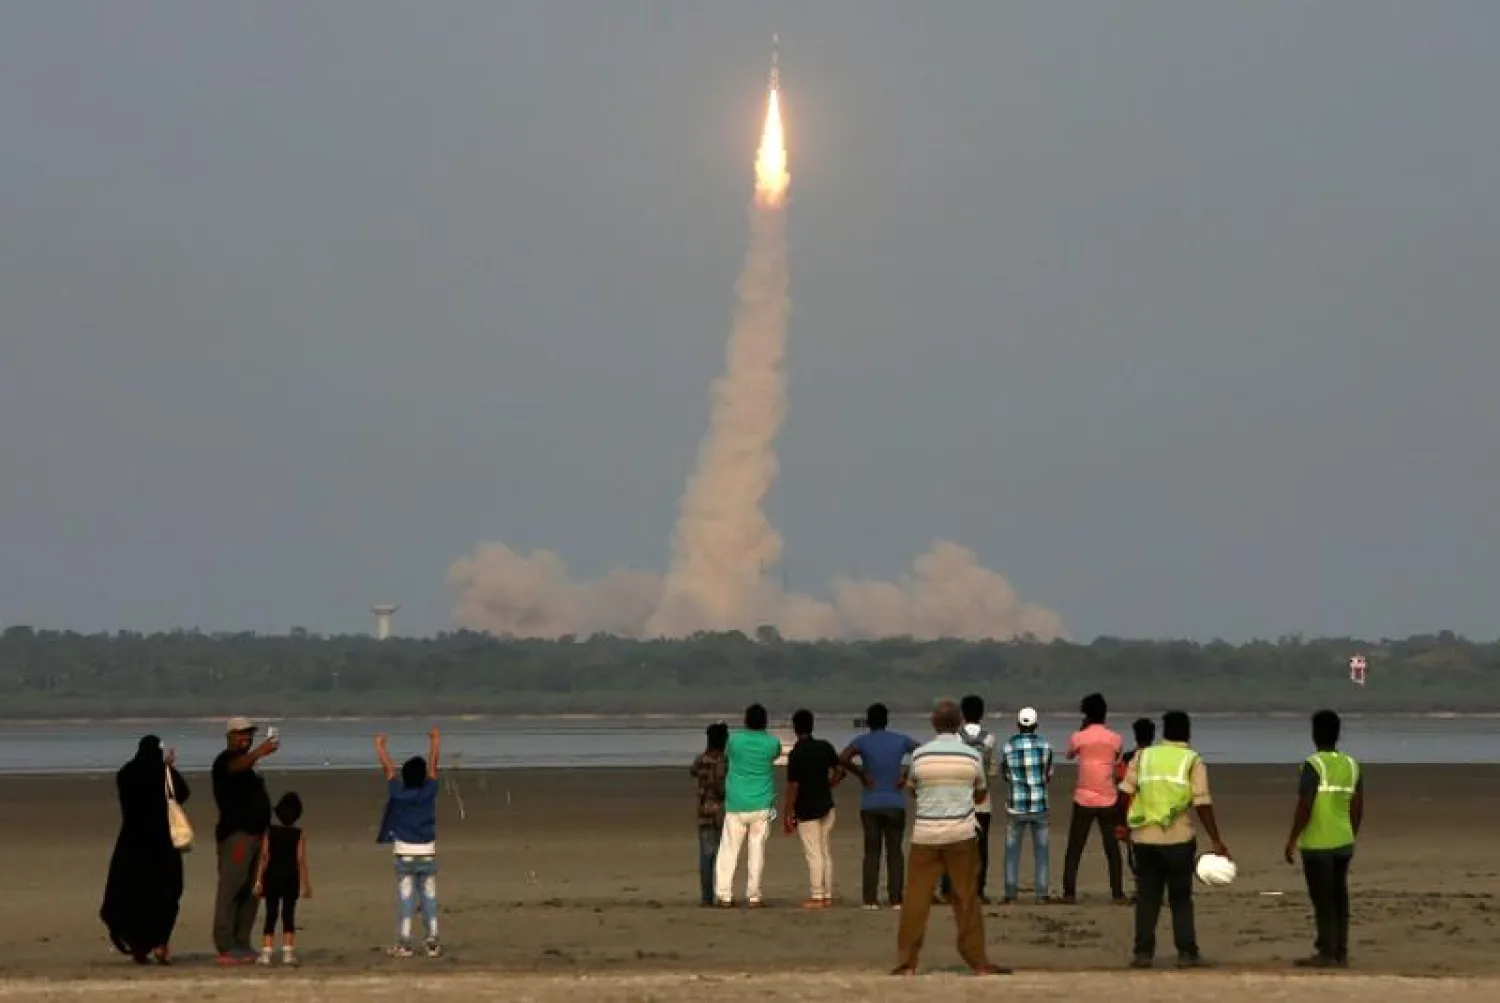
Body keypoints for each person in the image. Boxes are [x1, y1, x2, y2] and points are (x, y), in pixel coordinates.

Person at [892, 699, 1008, 976]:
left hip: (926, 835)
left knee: (916, 900)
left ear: (933, 723)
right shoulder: (971, 756)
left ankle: (907, 961)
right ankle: (978, 960)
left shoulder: (920, 755)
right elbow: (980, 791)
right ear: (958, 723)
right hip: (961, 833)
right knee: (966, 897)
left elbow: (912, 789)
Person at [1117, 710, 1230, 969]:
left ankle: (1143, 953)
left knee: (1147, 897)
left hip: (1144, 838)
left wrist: (1122, 825)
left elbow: (1124, 794)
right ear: (1187, 732)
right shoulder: (1192, 760)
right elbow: (1202, 803)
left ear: (1163, 732)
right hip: (1178, 839)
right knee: (1180, 897)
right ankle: (1187, 952)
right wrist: (1216, 839)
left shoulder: (1143, 757)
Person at [100, 735, 190, 965]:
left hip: (132, 843)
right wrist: (168, 769)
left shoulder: (125, 774)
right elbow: (182, 794)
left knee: (134, 895)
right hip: (162, 844)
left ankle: (139, 947)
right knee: (166, 893)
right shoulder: (163, 773)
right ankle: (161, 943)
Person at [1283, 709, 1363, 968]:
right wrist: (1352, 832)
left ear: (1314, 734)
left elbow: (1305, 804)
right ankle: (1340, 949)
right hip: (1343, 841)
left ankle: (1327, 951)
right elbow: (1357, 805)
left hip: (1318, 843)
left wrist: (1292, 837)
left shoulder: (1313, 765)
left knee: (1323, 898)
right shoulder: (1351, 765)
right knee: (1339, 896)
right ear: (1338, 734)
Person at [211, 717, 278, 965]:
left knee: (252, 891)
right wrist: (261, 752)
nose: (246, 739)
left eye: (249, 735)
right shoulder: (224, 761)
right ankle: (225, 945)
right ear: (230, 736)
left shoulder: (249, 767)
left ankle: (242, 941)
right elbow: (235, 767)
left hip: (258, 835)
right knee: (231, 888)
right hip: (237, 836)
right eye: (242, 734)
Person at [841, 703, 918, 910]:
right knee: (895, 852)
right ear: (886, 720)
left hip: (871, 802)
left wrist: (861, 774)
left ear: (868, 721)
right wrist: (906, 775)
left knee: (872, 852)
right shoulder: (900, 740)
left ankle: (870, 900)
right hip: (894, 801)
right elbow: (922, 752)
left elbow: (843, 758)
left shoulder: (863, 741)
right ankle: (896, 899)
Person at [375, 728, 443, 958]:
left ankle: (404, 943)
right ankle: (432, 940)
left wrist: (381, 748)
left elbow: (388, 770)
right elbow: (434, 766)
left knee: (406, 898)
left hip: (404, 851)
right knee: (429, 897)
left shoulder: (398, 793)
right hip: (427, 850)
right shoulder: (429, 791)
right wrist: (435, 743)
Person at [714, 704, 782, 907]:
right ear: (765, 722)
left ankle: (724, 895)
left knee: (728, 850)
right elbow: (775, 755)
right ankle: (753, 895)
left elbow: (726, 755)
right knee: (756, 851)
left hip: (736, 802)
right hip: (761, 802)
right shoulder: (772, 743)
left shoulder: (734, 740)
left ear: (745, 720)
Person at [1062, 693, 1125, 903]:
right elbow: (1117, 758)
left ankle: (1069, 892)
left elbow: (1069, 754)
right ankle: (1117, 891)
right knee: (1112, 848)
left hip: (1084, 797)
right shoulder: (1115, 738)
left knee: (1075, 847)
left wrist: (1082, 730)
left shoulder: (1079, 737)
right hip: (1108, 796)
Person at [938, 695, 998, 903]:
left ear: (962, 714)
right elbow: (992, 771)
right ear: (981, 714)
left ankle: (948, 889)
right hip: (982, 801)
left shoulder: (955, 738)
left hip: (957, 800)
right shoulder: (990, 738)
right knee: (982, 848)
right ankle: (978, 890)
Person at [782, 709, 843, 908]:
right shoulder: (824, 746)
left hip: (807, 808)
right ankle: (827, 894)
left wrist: (788, 812)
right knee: (824, 850)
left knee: (813, 852)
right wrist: (830, 784)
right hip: (826, 804)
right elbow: (840, 771)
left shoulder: (796, 753)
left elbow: (793, 786)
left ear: (795, 728)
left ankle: (817, 895)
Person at [1000, 707, 1054, 904]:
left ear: (1018, 725)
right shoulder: (1045, 746)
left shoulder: (1008, 747)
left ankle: (1010, 893)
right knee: (1041, 850)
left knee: (1012, 850)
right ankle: (1041, 893)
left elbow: (1005, 775)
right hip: (1040, 804)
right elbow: (1048, 775)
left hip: (1016, 804)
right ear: (1035, 725)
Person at [254, 793, 311, 966]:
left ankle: (266, 952)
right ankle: (287, 952)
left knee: (271, 913)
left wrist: (258, 880)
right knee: (288, 914)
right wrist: (305, 883)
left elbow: (264, 856)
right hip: (290, 877)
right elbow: (300, 859)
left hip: (272, 876)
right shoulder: (299, 833)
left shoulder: (269, 832)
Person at [689, 722, 730, 906]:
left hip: (705, 809)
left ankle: (707, 897)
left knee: (706, 857)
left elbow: (693, 772)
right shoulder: (727, 761)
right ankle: (723, 893)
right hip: (723, 810)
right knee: (724, 855)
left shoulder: (701, 760)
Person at [1114, 717, 1157, 884]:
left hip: (1133, 809)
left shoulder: (1128, 758)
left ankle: (1143, 886)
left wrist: (1119, 817)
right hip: (1155, 808)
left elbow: (1120, 783)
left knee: (1136, 853)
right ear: (1153, 736)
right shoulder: (1159, 758)